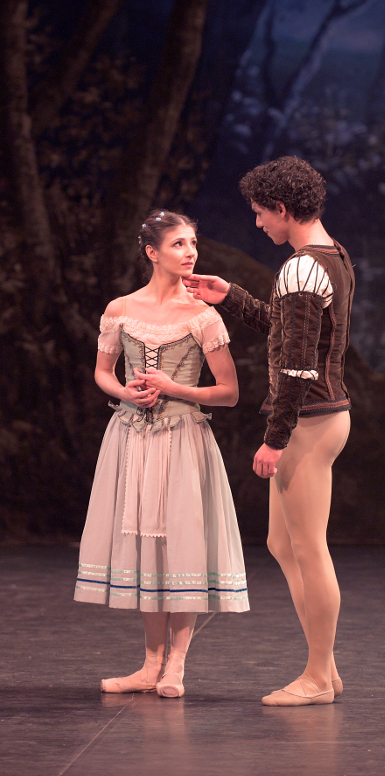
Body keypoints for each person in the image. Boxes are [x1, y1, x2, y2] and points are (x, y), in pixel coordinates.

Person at [185, 156, 355, 707]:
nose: (259, 224)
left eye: (261, 214)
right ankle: (323, 670)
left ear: (282, 209)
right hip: (317, 418)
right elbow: (290, 332)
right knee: (282, 544)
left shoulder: (302, 267)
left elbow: (299, 366)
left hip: (309, 422)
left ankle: (317, 675)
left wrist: (275, 438)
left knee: (308, 547)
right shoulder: (332, 257)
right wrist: (231, 296)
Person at [74, 210, 249, 698]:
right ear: (152, 252)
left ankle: (177, 664)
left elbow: (230, 392)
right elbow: (103, 373)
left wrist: (176, 388)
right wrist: (128, 393)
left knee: (181, 544)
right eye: (178, 244)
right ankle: (150, 664)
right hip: (133, 438)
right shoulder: (121, 309)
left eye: (193, 242)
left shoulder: (202, 316)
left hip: (182, 439)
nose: (190, 251)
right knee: (147, 543)